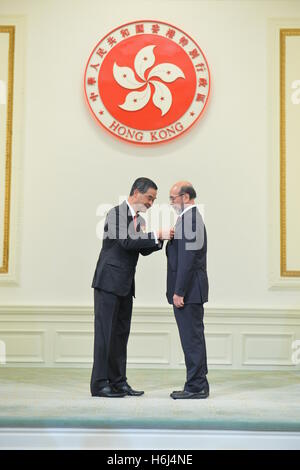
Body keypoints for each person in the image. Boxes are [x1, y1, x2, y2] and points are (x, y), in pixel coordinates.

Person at [91, 177, 173, 398]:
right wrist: (157, 234)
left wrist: (160, 239)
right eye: (149, 198)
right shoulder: (115, 213)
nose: (151, 204)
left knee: (120, 335)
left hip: (125, 285)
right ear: (136, 192)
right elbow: (127, 242)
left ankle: (119, 382)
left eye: (154, 200)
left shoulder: (138, 219)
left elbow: (142, 249)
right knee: (105, 335)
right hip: (108, 283)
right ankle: (99, 384)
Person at [166, 181, 209, 399]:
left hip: (189, 292)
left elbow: (188, 260)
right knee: (193, 338)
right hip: (191, 291)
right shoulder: (188, 219)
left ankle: (196, 387)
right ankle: (198, 383)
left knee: (191, 340)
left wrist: (179, 291)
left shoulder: (191, 220)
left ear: (185, 197)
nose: (171, 202)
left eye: (173, 198)